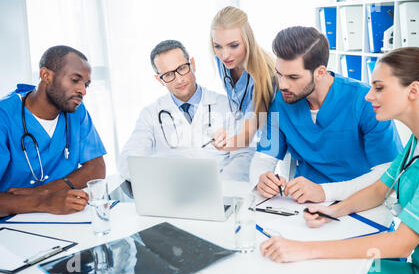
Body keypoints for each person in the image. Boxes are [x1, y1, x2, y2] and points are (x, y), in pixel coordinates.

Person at [260, 47, 419, 274]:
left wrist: (306, 248)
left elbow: (402, 244)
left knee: (320, 268)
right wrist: (332, 211)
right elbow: (380, 189)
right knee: (320, 271)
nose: (369, 96)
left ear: (413, 90)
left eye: (379, 88)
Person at [252, 26, 403, 203]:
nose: (283, 84)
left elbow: (388, 173)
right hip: (302, 205)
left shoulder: (365, 101)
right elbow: (264, 157)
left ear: (320, 73)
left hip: (359, 202)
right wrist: (261, 179)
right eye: (279, 74)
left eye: (293, 77)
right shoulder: (281, 101)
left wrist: (325, 192)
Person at [0, 45, 107, 216]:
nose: (83, 90)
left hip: (63, 218)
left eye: (86, 84)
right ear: (46, 75)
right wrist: (44, 201)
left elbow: (96, 168)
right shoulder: (4, 117)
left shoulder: (76, 111)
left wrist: (45, 191)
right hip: (11, 226)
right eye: (75, 80)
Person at [118, 40, 245, 181]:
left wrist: (220, 185)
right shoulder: (150, 114)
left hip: (222, 193)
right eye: (168, 75)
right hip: (172, 194)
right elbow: (127, 162)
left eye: (182, 68)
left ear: (193, 64)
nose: (179, 80)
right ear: (159, 80)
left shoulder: (227, 106)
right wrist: (163, 180)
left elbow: (243, 156)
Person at [209, 6, 277, 178]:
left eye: (233, 45)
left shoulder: (264, 74)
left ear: (248, 40)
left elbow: (248, 135)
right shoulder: (224, 63)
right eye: (218, 46)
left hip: (270, 141)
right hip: (246, 135)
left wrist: (223, 144)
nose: (225, 55)